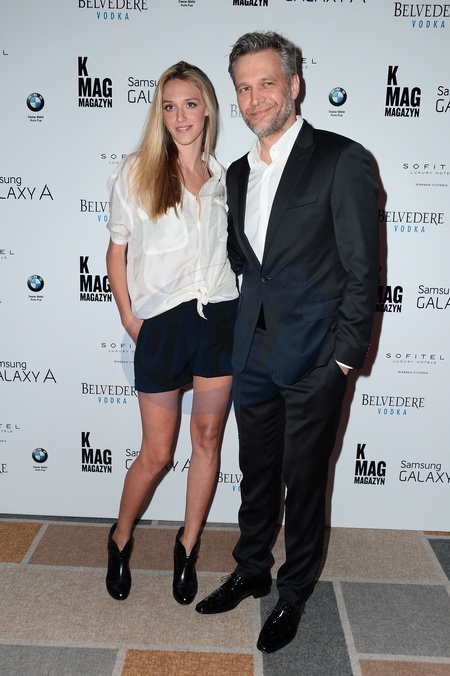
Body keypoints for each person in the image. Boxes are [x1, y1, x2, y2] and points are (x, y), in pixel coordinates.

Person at [195, 31, 379, 653]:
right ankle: (251, 568)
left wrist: (343, 359)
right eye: (243, 88)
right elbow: (245, 262)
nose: (255, 99)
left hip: (317, 358)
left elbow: (363, 271)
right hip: (252, 352)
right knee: (256, 473)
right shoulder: (237, 173)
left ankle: (294, 592)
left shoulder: (341, 159)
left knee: (304, 482)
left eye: (267, 83)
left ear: (295, 85)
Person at [105, 61, 239, 605]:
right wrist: (129, 317)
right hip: (161, 324)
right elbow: (116, 251)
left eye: (190, 104)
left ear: (207, 109)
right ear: (159, 114)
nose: (180, 116)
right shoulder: (137, 171)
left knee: (206, 440)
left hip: (218, 320)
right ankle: (120, 538)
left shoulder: (224, 177)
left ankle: (187, 548)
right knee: (157, 453)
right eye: (169, 106)